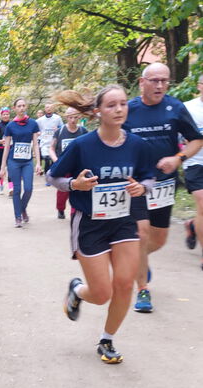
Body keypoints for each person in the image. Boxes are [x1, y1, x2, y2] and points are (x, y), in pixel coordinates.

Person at [48, 85, 156, 363]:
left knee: (124, 284)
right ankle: (77, 291)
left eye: (123, 104)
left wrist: (142, 188)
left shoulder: (137, 145)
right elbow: (53, 177)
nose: (119, 109)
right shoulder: (82, 145)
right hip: (90, 224)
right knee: (101, 293)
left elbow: (149, 177)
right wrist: (75, 185)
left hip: (124, 222)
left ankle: (107, 340)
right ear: (98, 111)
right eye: (111, 105)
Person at [123, 63, 203, 312]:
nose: (160, 86)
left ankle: (137, 259)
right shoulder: (128, 109)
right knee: (141, 234)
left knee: (158, 240)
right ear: (142, 82)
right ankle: (142, 290)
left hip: (164, 184)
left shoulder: (175, 107)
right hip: (136, 184)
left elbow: (196, 140)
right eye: (155, 80)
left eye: (165, 81)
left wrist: (178, 159)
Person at [0, 97, 42, 226]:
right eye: (19, 106)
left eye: (23, 105)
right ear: (14, 108)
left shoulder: (33, 123)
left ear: (26, 107)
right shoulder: (10, 126)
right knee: (17, 190)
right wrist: (3, 167)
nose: (21, 108)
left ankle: (22, 208)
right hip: (14, 161)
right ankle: (18, 216)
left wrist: (38, 163)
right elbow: (7, 147)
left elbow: (35, 144)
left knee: (28, 188)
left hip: (27, 161)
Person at [49, 106, 87, 218]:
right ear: (66, 117)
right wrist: (57, 161)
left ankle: (74, 212)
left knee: (78, 190)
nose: (73, 120)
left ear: (79, 117)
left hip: (78, 167)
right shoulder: (60, 131)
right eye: (70, 117)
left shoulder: (83, 131)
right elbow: (51, 148)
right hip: (64, 167)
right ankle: (60, 209)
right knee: (62, 192)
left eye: (75, 117)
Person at [182, 73, 203, 270]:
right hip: (195, 163)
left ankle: (192, 225)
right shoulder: (188, 108)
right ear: (199, 86)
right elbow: (178, 135)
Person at [36, 103, 64, 182]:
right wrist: (38, 133)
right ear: (45, 109)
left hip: (54, 142)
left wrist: (58, 129)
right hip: (44, 143)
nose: (49, 109)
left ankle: (52, 175)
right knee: (47, 159)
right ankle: (47, 177)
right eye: (47, 107)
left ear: (53, 109)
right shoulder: (40, 120)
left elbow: (62, 128)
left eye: (50, 107)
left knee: (53, 160)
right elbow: (35, 129)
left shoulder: (57, 118)